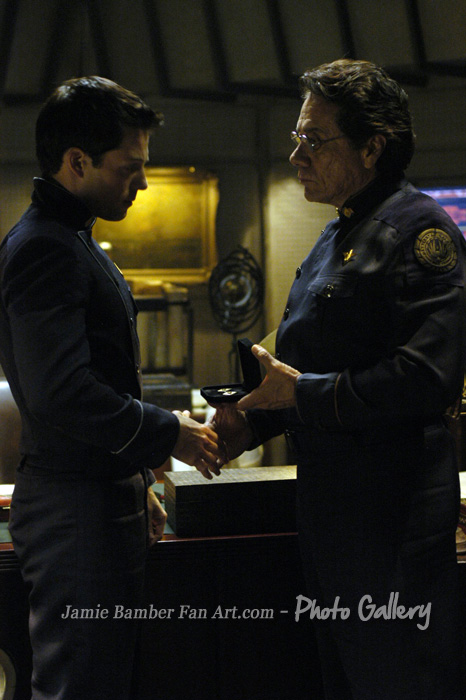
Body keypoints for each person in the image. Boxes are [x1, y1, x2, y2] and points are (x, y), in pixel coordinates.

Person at [211, 59, 466, 699]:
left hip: (393, 523)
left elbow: (426, 377)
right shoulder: (335, 236)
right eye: (297, 137)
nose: (296, 154)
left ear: (372, 147)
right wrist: (250, 422)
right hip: (333, 518)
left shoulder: (421, 232)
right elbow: (310, 367)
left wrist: (299, 394)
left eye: (314, 139)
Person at [0, 76, 223, 700]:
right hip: (73, 509)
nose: (143, 182)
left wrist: (135, 477)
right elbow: (62, 393)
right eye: (130, 167)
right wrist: (169, 432)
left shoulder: (70, 237)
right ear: (77, 162)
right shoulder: (46, 248)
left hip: (93, 496)